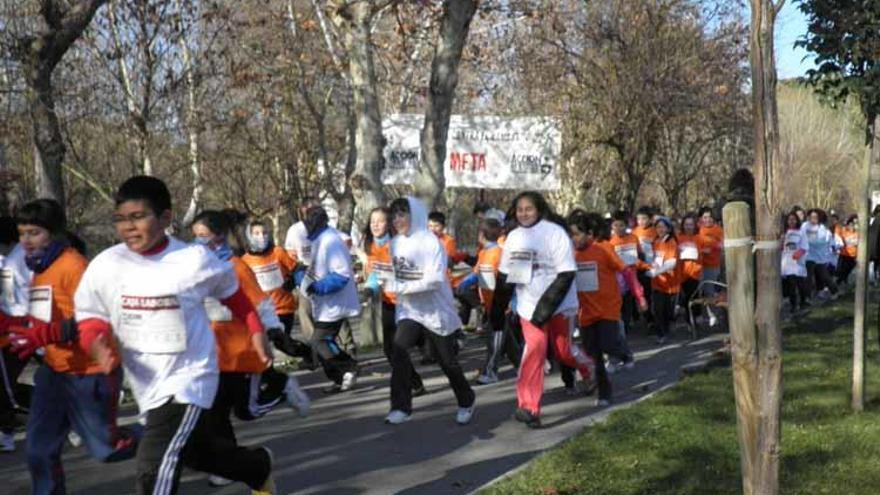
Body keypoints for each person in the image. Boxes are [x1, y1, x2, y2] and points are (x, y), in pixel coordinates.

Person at [74, 176, 275, 494]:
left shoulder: (192, 260)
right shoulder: (107, 264)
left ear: (165, 218)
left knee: (154, 464)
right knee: (197, 453)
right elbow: (89, 315)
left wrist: (255, 329)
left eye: (138, 217)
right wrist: (96, 343)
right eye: (121, 219)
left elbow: (232, 293)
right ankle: (257, 467)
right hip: (146, 381)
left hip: (189, 377)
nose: (128, 227)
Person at [8, 199, 140, 494]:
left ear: (55, 233)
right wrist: (18, 327)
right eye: (22, 233)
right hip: (54, 372)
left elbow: (96, 318)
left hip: (90, 372)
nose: (26, 241)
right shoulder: (38, 267)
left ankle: (161, 433)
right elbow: (44, 314)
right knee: (39, 450)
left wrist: (48, 333)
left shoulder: (74, 266)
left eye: (34, 233)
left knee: (107, 449)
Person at [191, 210, 310, 488]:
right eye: (195, 237)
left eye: (204, 236)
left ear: (220, 237)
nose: (199, 242)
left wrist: (274, 331)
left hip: (243, 352)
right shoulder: (196, 270)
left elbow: (261, 304)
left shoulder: (235, 267)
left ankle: (281, 387)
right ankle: (226, 465)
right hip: (214, 355)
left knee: (247, 411)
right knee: (215, 414)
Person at [490, 191, 595, 428]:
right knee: (535, 350)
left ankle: (590, 370)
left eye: (529, 209)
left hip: (559, 304)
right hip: (528, 305)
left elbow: (566, 274)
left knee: (563, 352)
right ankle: (529, 407)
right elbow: (505, 276)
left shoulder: (555, 233)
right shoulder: (514, 237)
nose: (524, 213)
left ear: (539, 209)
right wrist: (497, 310)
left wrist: (545, 309)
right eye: (520, 210)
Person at [383, 197, 475, 425]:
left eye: (402, 214)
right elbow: (394, 274)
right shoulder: (395, 243)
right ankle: (401, 407)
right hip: (410, 311)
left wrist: (403, 287)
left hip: (435, 311)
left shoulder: (431, 242)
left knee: (447, 362)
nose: (396, 220)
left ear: (414, 215)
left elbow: (434, 280)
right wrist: (383, 282)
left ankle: (466, 399)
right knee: (399, 350)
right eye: (394, 216)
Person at [567, 210, 646, 406]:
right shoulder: (570, 255)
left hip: (608, 309)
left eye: (577, 234)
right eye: (571, 235)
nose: (574, 238)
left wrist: (639, 296)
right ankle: (604, 393)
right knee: (593, 353)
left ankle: (624, 353)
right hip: (586, 313)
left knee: (608, 345)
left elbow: (626, 272)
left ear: (589, 234)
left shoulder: (603, 249)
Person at [295, 205, 360, 393]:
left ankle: (349, 366)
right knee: (321, 342)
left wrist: (318, 287)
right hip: (325, 304)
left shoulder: (331, 241)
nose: (309, 223)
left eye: (312, 219)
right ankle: (340, 378)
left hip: (335, 303)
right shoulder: (319, 240)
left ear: (322, 220)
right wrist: (301, 278)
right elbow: (317, 270)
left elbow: (341, 274)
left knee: (320, 341)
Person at [361, 206, 425, 395]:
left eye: (380, 221)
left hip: (408, 302)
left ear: (389, 223)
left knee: (416, 346)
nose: (375, 225)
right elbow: (376, 273)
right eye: (372, 221)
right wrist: (370, 288)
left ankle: (439, 345)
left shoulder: (399, 244)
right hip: (389, 302)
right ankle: (415, 384)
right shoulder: (371, 245)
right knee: (391, 349)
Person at [242, 219, 315, 368]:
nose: (261, 236)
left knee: (282, 343)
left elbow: (297, 269)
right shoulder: (245, 261)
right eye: (256, 233)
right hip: (262, 310)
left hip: (283, 307)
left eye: (264, 233)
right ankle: (265, 370)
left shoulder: (277, 252)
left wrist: (293, 281)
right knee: (265, 342)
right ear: (249, 236)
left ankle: (309, 353)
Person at [458, 218, 521, 384]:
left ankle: (491, 371)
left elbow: (512, 278)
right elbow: (477, 273)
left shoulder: (500, 253)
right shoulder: (484, 253)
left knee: (495, 340)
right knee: (506, 341)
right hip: (489, 304)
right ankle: (523, 366)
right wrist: (464, 283)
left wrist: (513, 300)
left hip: (501, 305)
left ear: (482, 234)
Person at [0, 216, 30, 453]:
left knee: (6, 387)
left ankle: (6, 433)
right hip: (17, 328)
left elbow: (12, 303)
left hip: (17, 331)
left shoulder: (14, 263)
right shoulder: (12, 259)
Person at [284, 197, 322, 343]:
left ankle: (347, 345)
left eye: (316, 208)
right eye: (309, 208)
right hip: (305, 274)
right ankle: (315, 345)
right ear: (303, 210)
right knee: (304, 311)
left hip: (325, 273)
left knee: (333, 311)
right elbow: (290, 255)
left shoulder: (325, 228)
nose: (313, 212)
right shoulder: (295, 230)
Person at [640, 216, 680, 344]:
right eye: (658, 227)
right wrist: (650, 265)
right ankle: (660, 334)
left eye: (663, 227)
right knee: (658, 310)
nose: (660, 229)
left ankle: (668, 328)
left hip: (670, 284)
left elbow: (672, 263)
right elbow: (653, 258)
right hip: (657, 283)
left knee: (667, 311)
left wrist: (656, 271)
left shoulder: (671, 242)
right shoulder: (656, 241)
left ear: (668, 228)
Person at [802, 208, 839, 300]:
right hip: (808, 256)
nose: (812, 219)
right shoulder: (805, 226)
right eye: (811, 217)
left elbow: (820, 241)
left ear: (820, 218)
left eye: (815, 217)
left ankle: (834, 291)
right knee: (808, 277)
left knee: (824, 276)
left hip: (819, 257)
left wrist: (807, 241)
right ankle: (807, 297)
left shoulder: (823, 229)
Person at [677, 214, 707, 325]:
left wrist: (701, 251)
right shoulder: (678, 238)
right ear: (683, 225)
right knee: (686, 296)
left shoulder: (699, 238)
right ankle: (689, 318)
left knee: (694, 295)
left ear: (694, 226)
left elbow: (708, 248)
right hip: (682, 272)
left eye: (691, 224)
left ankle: (697, 315)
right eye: (686, 224)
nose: (688, 227)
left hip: (695, 272)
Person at [782, 211, 810, 314]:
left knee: (800, 284)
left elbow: (805, 246)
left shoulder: (801, 232)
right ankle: (793, 306)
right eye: (789, 219)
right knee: (791, 285)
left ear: (797, 220)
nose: (791, 221)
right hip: (786, 263)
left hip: (798, 263)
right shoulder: (784, 233)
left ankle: (803, 302)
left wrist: (799, 254)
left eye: (793, 219)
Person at [836, 214, 858, 287]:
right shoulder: (844, 231)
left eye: (854, 225)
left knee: (848, 269)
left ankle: (841, 281)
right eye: (850, 225)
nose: (852, 227)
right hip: (844, 255)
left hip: (853, 255)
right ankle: (840, 282)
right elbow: (837, 231)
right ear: (848, 225)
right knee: (841, 271)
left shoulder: (858, 233)